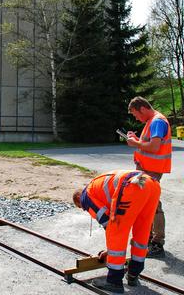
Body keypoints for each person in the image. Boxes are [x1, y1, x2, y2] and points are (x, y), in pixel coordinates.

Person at [73, 170, 161, 293]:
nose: (85, 209)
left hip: (132, 186)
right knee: (142, 230)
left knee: (116, 231)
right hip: (152, 184)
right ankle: (133, 274)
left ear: (78, 198)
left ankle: (114, 281)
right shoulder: (97, 187)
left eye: (81, 207)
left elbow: (110, 226)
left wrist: (111, 252)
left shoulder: (85, 197)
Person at [126, 96, 171, 258]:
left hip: (151, 171)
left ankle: (157, 244)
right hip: (146, 169)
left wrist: (135, 143)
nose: (136, 118)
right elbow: (149, 145)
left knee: (153, 205)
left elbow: (154, 147)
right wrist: (137, 140)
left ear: (143, 109)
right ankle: (149, 239)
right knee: (147, 204)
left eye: (135, 114)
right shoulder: (151, 122)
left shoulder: (157, 121)